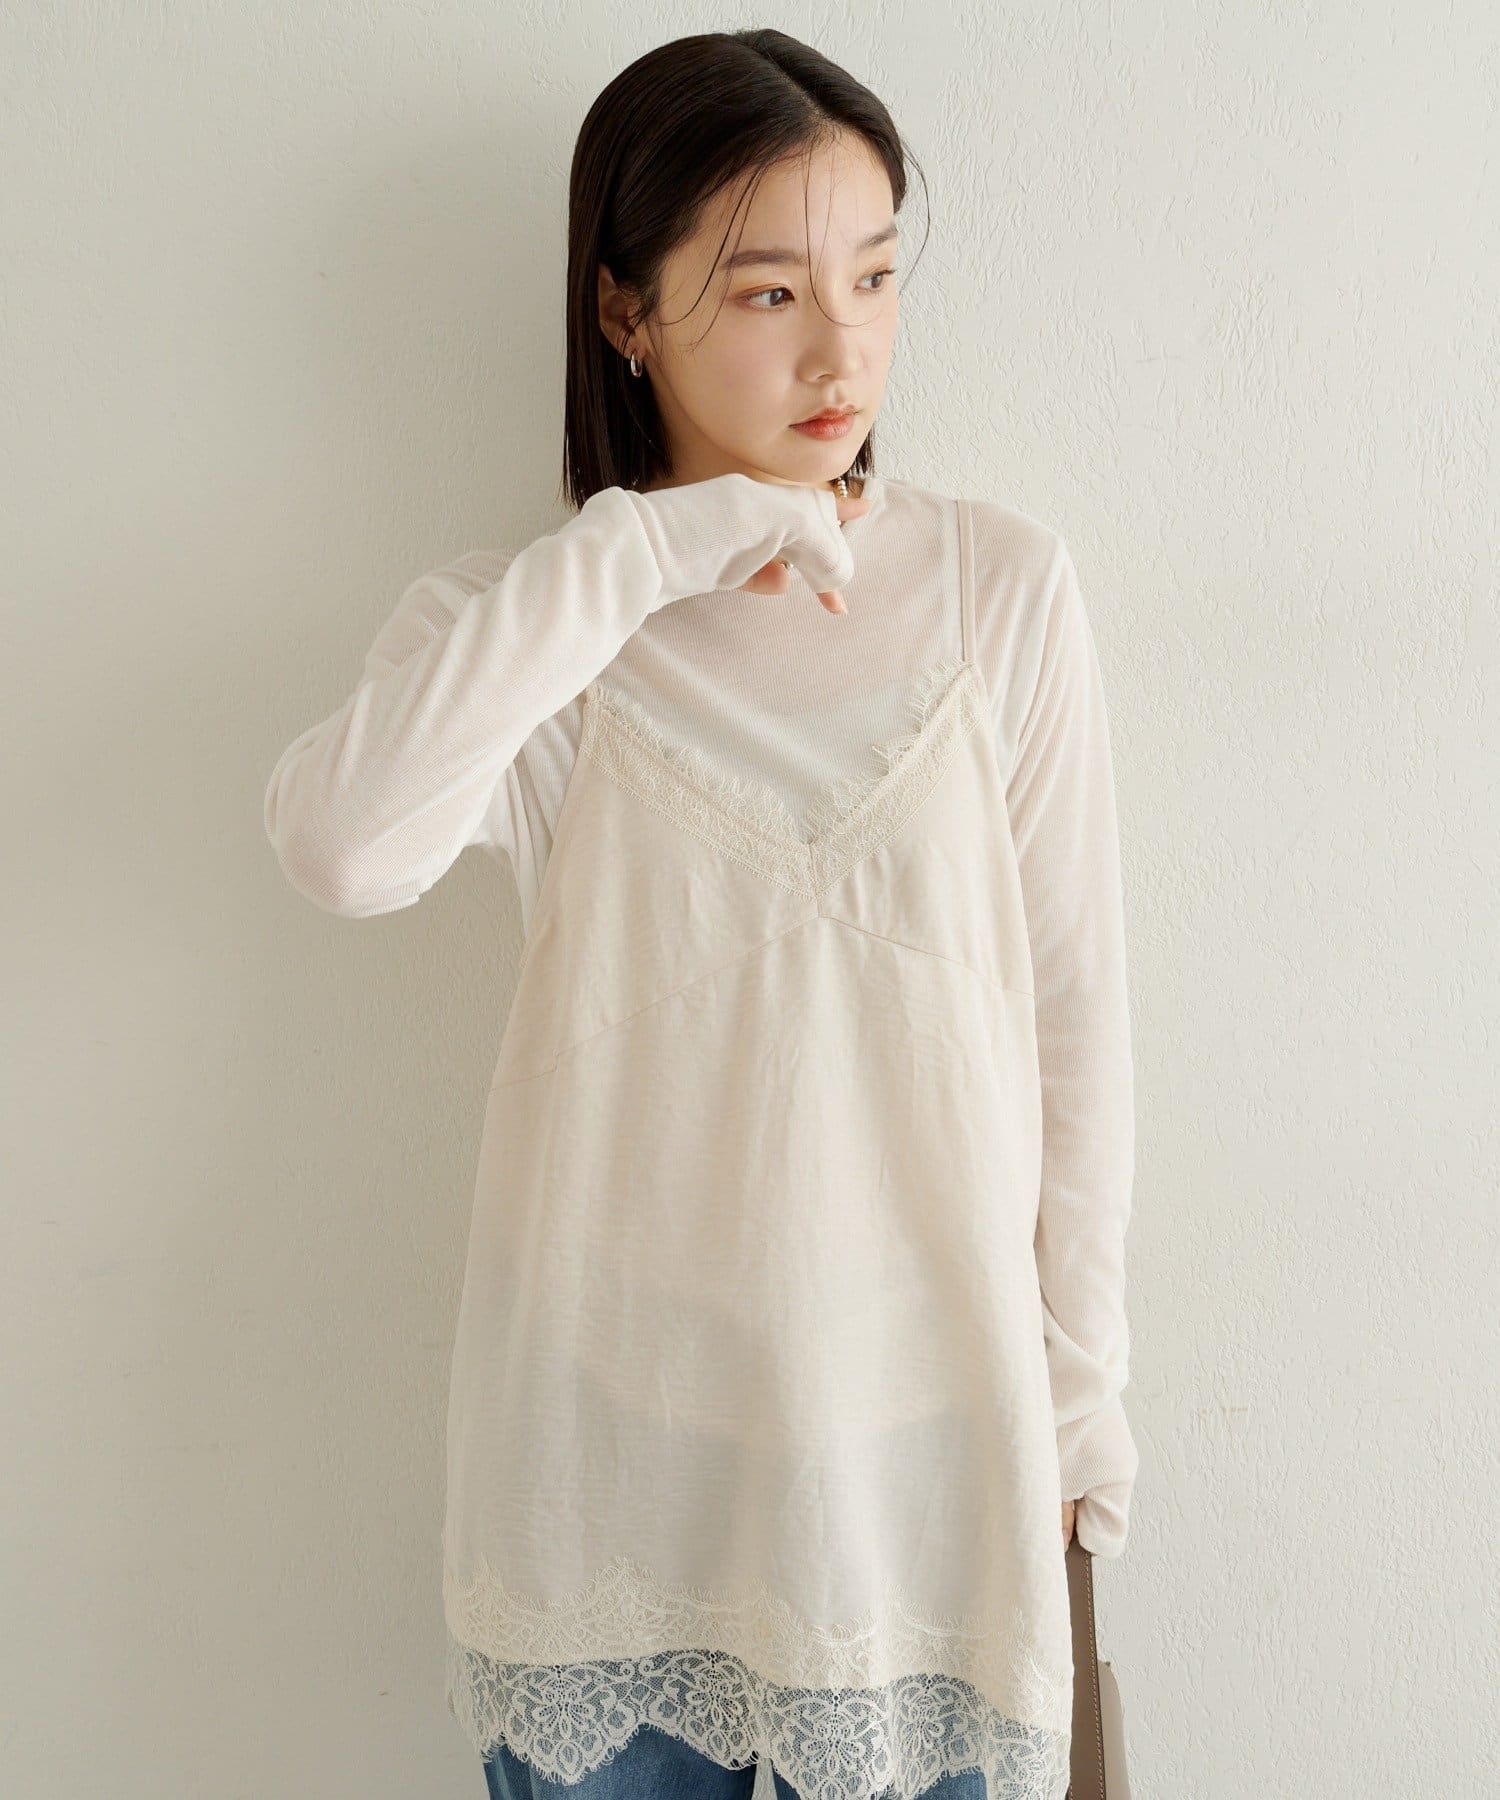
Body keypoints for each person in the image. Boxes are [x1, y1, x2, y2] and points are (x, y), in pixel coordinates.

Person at [263, 27, 1138, 1800]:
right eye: (768, 292)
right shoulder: (525, 631)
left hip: (923, 1473)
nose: (842, 350)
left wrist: (1079, 1404)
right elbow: (344, 848)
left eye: (874, 276)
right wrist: (644, 553)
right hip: (613, 1485)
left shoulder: (997, 591)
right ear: (624, 311)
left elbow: (1075, 1030)